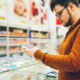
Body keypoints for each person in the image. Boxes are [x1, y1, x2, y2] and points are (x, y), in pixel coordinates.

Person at [23, 0, 80, 80]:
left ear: (71, 6)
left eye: (59, 14)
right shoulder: (72, 29)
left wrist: (39, 55)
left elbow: (73, 63)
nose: (58, 18)